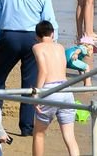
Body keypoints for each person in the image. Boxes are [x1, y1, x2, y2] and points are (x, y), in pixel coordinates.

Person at [0, 0, 57, 137]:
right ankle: (26, 127)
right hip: (32, 38)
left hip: (9, 36)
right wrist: (52, 43)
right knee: (29, 83)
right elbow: (48, 20)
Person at [30, 21, 80, 156]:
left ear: (37, 36)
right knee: (70, 137)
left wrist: (36, 93)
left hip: (50, 90)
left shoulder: (37, 47)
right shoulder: (60, 47)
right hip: (65, 88)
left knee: (39, 133)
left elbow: (43, 71)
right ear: (52, 34)